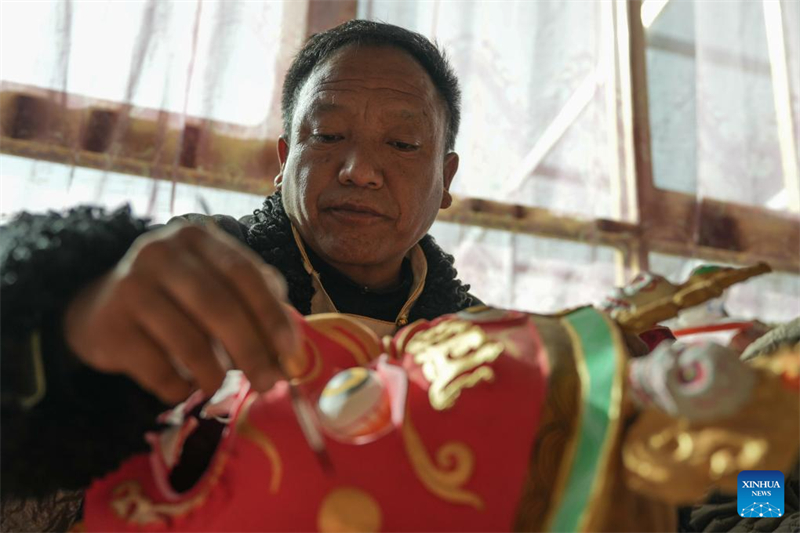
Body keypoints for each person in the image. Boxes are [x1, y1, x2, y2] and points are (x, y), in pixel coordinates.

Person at [0, 20, 480, 530]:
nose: (359, 170)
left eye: (402, 143)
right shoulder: (188, 270)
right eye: (328, 135)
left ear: (445, 177)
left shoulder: (476, 348)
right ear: (284, 159)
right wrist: (61, 340)